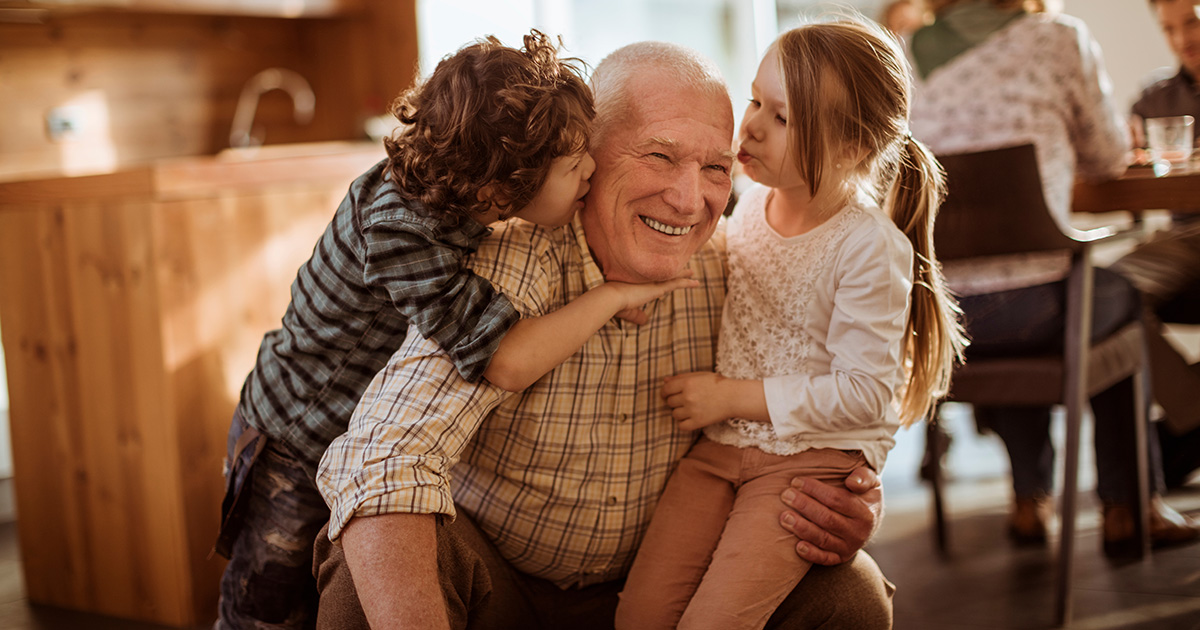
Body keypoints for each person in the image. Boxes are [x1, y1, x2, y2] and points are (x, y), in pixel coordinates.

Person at [314, 39, 895, 630]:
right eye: (660, 157)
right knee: (371, 569)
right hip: (501, 583)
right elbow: (384, 458)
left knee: (851, 594)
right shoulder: (517, 258)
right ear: (587, 156)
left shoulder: (737, 266)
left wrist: (852, 489)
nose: (690, 201)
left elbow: (850, 385)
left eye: (716, 167)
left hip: (662, 579)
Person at [213, 30, 700, 629]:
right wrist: (612, 295)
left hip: (334, 427)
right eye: (576, 166)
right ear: (502, 189)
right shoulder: (401, 232)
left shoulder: (453, 195)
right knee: (266, 608)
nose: (593, 171)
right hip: (295, 439)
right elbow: (509, 360)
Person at [614, 19, 965, 630]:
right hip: (721, 449)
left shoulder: (866, 246)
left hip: (805, 465)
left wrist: (729, 397)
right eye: (755, 99)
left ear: (851, 148)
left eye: (781, 117)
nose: (748, 126)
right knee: (639, 617)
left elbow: (864, 394)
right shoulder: (748, 204)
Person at [909, 0, 1198, 556]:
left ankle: (1028, 499)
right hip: (1037, 309)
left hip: (943, 313)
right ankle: (1129, 506)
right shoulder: (1057, 38)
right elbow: (1109, 157)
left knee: (1014, 286)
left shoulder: (901, 54)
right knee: (1107, 294)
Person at [1112, 0, 1200, 492]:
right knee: (1103, 292)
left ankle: (1181, 434)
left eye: (1192, 21)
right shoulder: (1153, 101)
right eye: (1168, 29)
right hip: (1183, 235)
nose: (1182, 38)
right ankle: (1192, 417)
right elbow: (1130, 186)